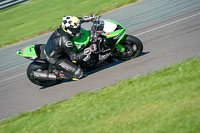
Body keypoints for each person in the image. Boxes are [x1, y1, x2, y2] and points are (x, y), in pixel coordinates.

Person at [44, 14, 97, 80]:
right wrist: (89, 49)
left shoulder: (65, 26)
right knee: (79, 73)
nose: (78, 30)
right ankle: (57, 72)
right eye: (75, 29)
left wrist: (88, 18)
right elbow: (74, 57)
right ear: (69, 29)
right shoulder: (66, 41)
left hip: (57, 48)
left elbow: (76, 21)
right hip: (57, 58)